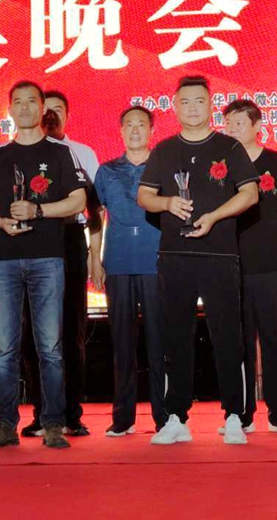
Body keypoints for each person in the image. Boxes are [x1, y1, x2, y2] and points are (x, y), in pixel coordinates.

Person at [138, 75, 260, 446]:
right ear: (175, 106)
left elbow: (250, 194)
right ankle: (175, 416)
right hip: (174, 256)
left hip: (219, 255)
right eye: (186, 102)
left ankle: (235, 415)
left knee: (227, 336)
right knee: (176, 338)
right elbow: (144, 196)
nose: (193, 108)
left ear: (211, 105)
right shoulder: (164, 150)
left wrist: (215, 216)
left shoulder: (229, 147)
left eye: (200, 101)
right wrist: (167, 202)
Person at [0, 80, 88, 450]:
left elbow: (78, 201)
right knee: (5, 350)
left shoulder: (60, 152)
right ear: (10, 110)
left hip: (47, 259)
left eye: (31, 101)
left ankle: (53, 423)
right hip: (3, 260)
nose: (24, 107)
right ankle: (5, 424)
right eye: (17, 102)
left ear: (42, 109)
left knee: (50, 347)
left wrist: (38, 211)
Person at [224, 99, 277, 436]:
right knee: (237, 344)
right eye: (228, 124)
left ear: (257, 127)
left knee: (275, 341)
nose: (232, 129)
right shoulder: (220, 165)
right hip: (231, 266)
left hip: (273, 264)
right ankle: (240, 414)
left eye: (239, 123)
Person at [20, 90, 98, 438]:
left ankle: (72, 414)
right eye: (46, 109)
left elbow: (94, 210)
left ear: (67, 116)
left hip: (70, 239)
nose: (51, 115)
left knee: (71, 330)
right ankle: (40, 412)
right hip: (32, 240)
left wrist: (95, 255)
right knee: (34, 332)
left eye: (58, 110)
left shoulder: (83, 153)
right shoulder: (20, 152)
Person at [92, 105, 167, 437]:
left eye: (141, 125)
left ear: (152, 131)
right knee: (122, 343)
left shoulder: (164, 167)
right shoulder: (107, 171)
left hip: (156, 263)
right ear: (121, 131)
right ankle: (123, 417)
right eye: (129, 125)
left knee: (159, 342)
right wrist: (95, 260)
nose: (135, 130)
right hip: (118, 263)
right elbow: (96, 217)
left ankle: (165, 416)